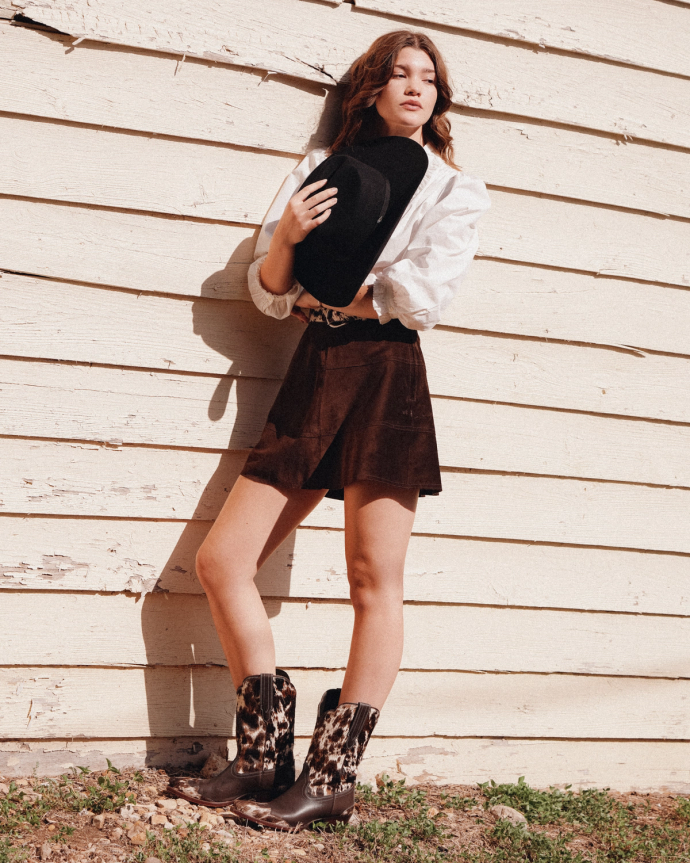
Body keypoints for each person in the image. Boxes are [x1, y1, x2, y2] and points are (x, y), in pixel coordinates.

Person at [169, 29, 491, 830]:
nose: (415, 88)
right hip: (317, 370)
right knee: (223, 560)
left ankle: (333, 775)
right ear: (371, 90)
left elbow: (418, 298)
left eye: (429, 79)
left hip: (386, 373)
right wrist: (286, 241)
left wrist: (337, 292)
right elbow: (270, 292)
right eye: (398, 75)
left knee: (372, 578)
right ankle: (261, 757)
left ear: (437, 98)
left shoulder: (455, 189)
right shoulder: (318, 171)